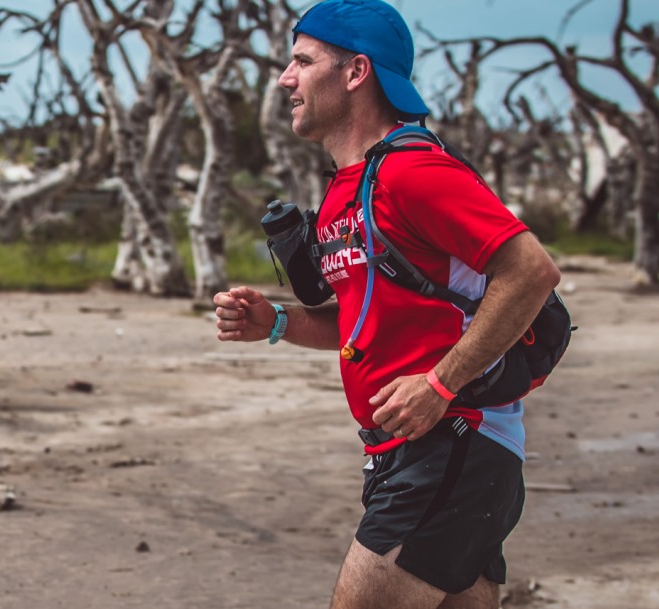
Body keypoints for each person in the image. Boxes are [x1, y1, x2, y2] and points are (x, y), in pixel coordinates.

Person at [212, 1, 562, 608]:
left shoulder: (414, 171)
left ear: (356, 73)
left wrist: (440, 384)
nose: (284, 78)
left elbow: (530, 272)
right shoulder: (351, 186)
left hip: (452, 446)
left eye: (302, 61)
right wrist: (276, 324)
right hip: (419, 455)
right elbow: (362, 320)